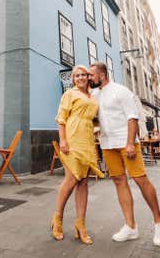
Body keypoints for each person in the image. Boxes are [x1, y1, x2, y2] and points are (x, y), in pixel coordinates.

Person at [88, 62, 160, 247]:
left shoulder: (121, 91)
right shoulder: (94, 95)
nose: (89, 78)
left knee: (140, 180)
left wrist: (131, 143)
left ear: (102, 74)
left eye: (92, 75)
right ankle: (131, 226)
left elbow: (133, 117)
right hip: (107, 144)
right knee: (118, 181)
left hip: (126, 143)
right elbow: (98, 119)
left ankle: (159, 223)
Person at [50, 65, 104, 245]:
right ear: (73, 79)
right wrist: (63, 140)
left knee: (84, 181)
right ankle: (57, 219)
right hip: (72, 139)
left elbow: (94, 118)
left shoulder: (92, 96)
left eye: (83, 75)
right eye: (77, 75)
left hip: (87, 139)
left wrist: (96, 129)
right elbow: (61, 118)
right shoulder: (69, 94)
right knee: (72, 179)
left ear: (88, 77)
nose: (80, 77)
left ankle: (80, 225)